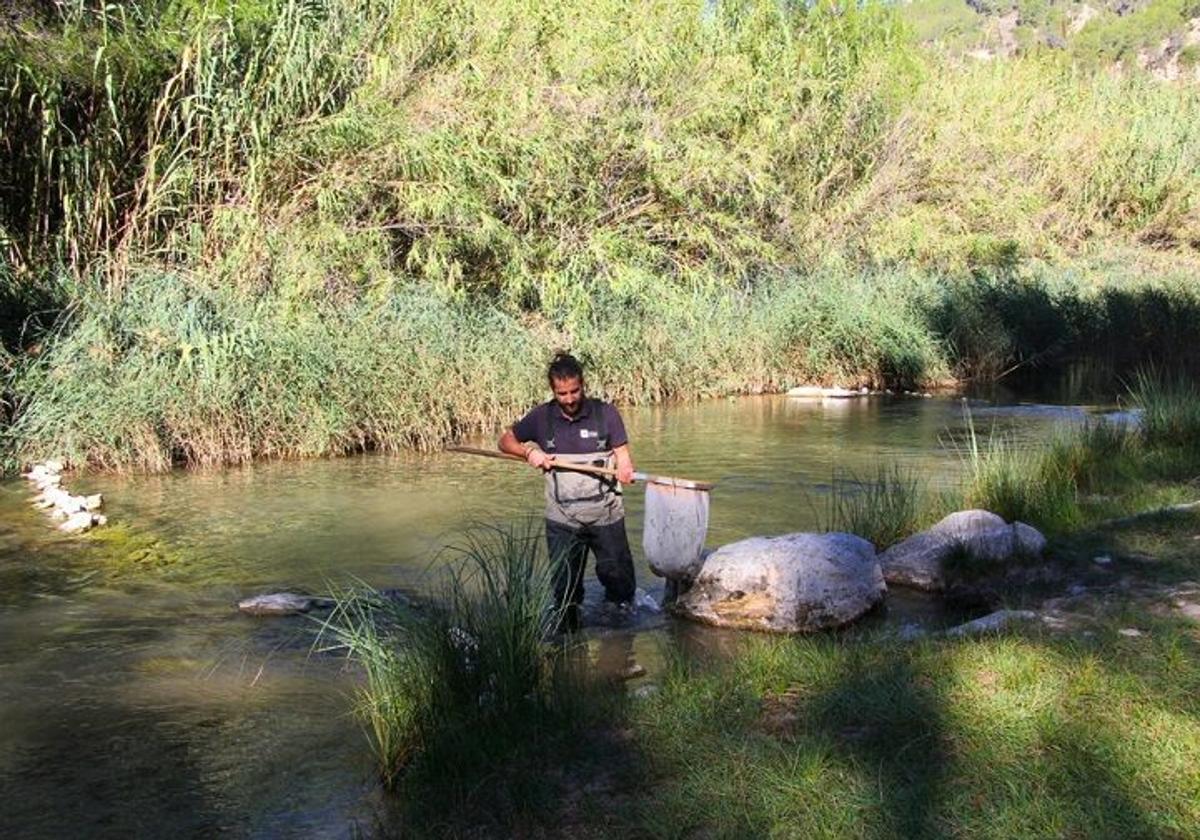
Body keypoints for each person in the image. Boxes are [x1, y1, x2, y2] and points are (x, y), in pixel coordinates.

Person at [498, 352, 636, 631]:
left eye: (575, 391)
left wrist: (625, 467)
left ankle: (622, 646)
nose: (570, 399)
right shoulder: (541, 418)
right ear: (553, 390)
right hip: (562, 520)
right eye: (562, 394)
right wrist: (528, 453)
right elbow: (505, 441)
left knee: (621, 589)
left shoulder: (606, 414)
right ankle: (569, 650)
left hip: (605, 517)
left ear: (583, 384)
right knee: (565, 596)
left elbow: (623, 455)